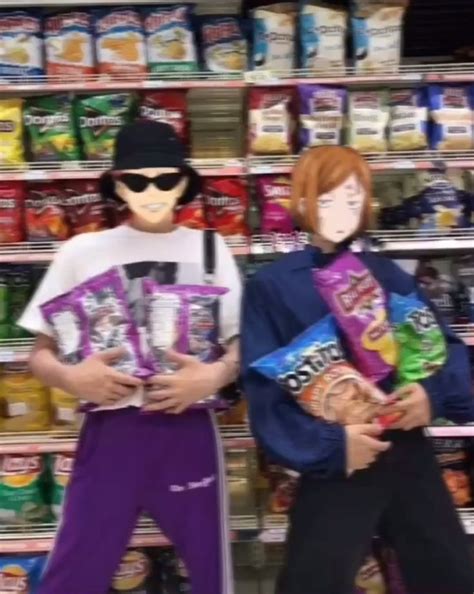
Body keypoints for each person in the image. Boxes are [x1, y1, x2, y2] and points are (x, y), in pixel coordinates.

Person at [19, 121, 241, 594]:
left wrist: (213, 376)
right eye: (137, 181)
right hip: (111, 431)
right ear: (118, 186)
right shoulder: (81, 251)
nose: (152, 192)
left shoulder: (210, 248)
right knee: (75, 569)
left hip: (188, 427)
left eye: (165, 179)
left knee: (210, 569)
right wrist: (72, 379)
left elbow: (241, 342)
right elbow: (38, 353)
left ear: (183, 184)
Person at [241, 146, 474, 594]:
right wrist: (331, 447)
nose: (342, 210)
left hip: (407, 450)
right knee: (315, 580)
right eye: (327, 198)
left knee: (448, 571)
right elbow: (264, 397)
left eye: (353, 198)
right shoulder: (271, 287)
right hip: (338, 461)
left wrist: (430, 395)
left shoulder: (390, 276)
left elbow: (443, 347)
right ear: (302, 203)